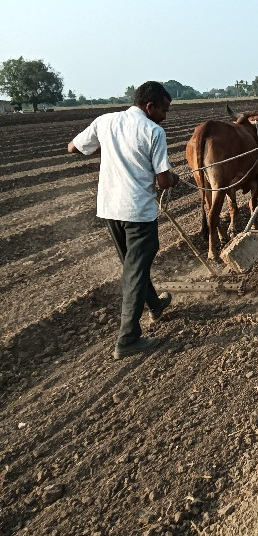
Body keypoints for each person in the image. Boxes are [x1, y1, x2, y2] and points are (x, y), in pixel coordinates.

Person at [68, 81, 179, 359]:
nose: (165, 116)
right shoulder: (154, 131)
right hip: (138, 213)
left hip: (110, 210)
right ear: (149, 106)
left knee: (133, 265)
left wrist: (109, 149)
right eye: (163, 110)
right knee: (135, 271)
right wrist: (174, 177)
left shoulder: (105, 121)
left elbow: (73, 147)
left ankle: (154, 305)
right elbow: (164, 181)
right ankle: (128, 338)